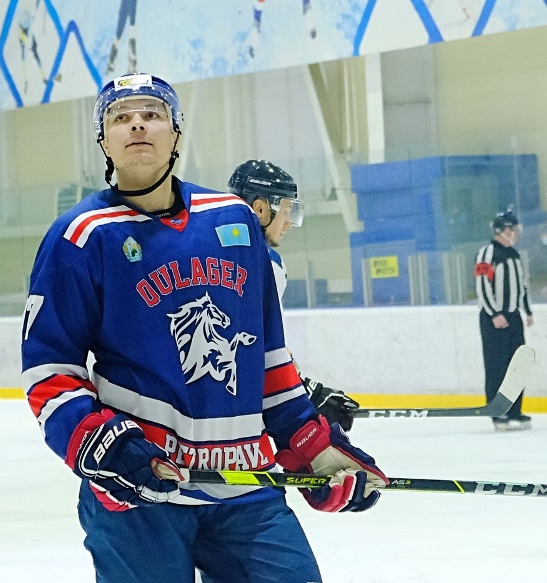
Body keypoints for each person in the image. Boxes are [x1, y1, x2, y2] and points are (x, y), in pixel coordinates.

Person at [20, 73, 388, 583]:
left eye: (152, 114)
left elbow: (267, 359)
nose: (137, 125)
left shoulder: (232, 220)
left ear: (176, 131)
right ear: (103, 140)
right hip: (142, 490)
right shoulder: (81, 236)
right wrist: (103, 445)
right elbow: (49, 370)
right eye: (120, 118)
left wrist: (313, 444)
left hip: (244, 483)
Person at [227, 160, 360, 431]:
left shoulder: (206, 250)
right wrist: (307, 391)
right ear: (260, 208)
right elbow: (263, 346)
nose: (288, 222)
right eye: (286, 210)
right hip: (238, 407)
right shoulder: (266, 262)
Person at [475, 207, 534, 431]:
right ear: (502, 230)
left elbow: (522, 285)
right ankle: (498, 412)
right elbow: (482, 286)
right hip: (494, 319)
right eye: (513, 229)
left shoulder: (514, 255)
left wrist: (526, 311)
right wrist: (494, 314)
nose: (516, 233)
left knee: (517, 366)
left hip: (513, 316)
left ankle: (515, 410)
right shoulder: (487, 253)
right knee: (497, 366)